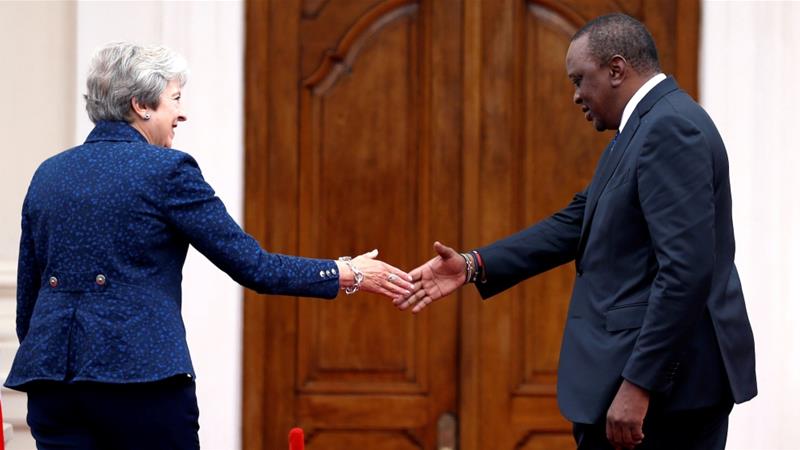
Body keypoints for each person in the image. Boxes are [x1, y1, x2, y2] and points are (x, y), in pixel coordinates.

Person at [6, 42, 413, 450]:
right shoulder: (167, 170)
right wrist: (347, 272)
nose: (182, 113)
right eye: (175, 99)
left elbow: (29, 300)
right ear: (141, 105)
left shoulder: (48, 174)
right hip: (142, 383)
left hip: (53, 386)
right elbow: (254, 267)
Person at [396, 13, 756, 450]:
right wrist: (473, 265)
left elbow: (686, 270)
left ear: (616, 69)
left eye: (579, 79)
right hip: (644, 383)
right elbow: (576, 221)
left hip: (666, 396)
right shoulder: (643, 127)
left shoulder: (669, 128)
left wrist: (639, 383)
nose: (576, 95)